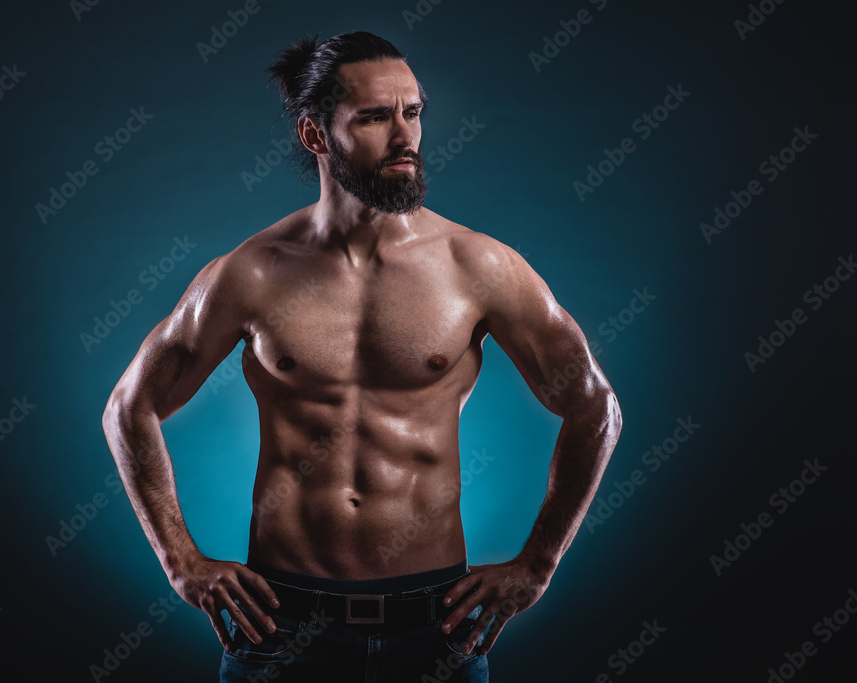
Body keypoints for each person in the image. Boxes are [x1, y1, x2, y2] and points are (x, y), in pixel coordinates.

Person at [102, 31, 622, 682]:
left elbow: (594, 406)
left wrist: (536, 564)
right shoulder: (251, 274)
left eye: (413, 111)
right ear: (316, 136)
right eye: (376, 117)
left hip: (437, 626)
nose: (404, 135)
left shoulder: (477, 266)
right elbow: (131, 406)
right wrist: (182, 560)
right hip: (280, 624)